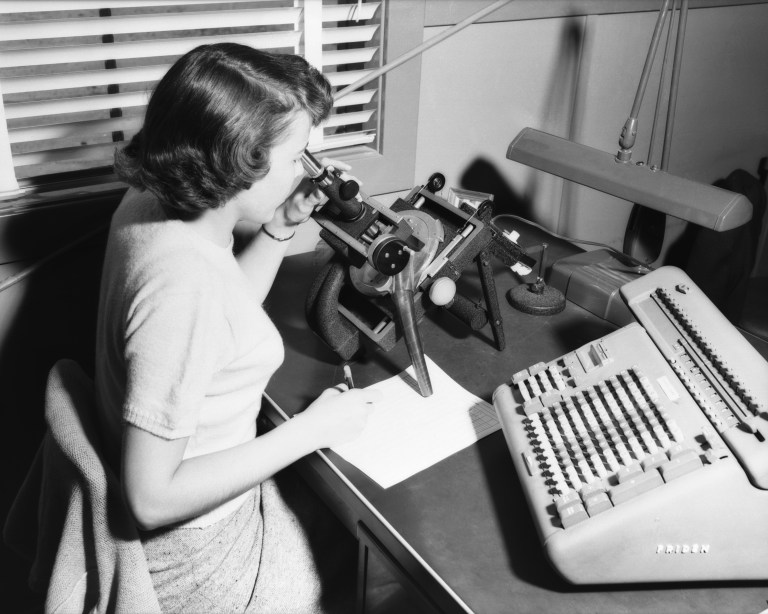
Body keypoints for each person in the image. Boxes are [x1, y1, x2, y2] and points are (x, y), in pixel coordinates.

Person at [94, 42, 380, 613]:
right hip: (197, 554)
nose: (309, 166)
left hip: (203, 514)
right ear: (242, 160)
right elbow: (151, 497)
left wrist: (281, 223)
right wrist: (309, 431)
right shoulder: (181, 286)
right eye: (298, 152)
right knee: (367, 570)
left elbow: (223, 320)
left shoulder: (153, 201)